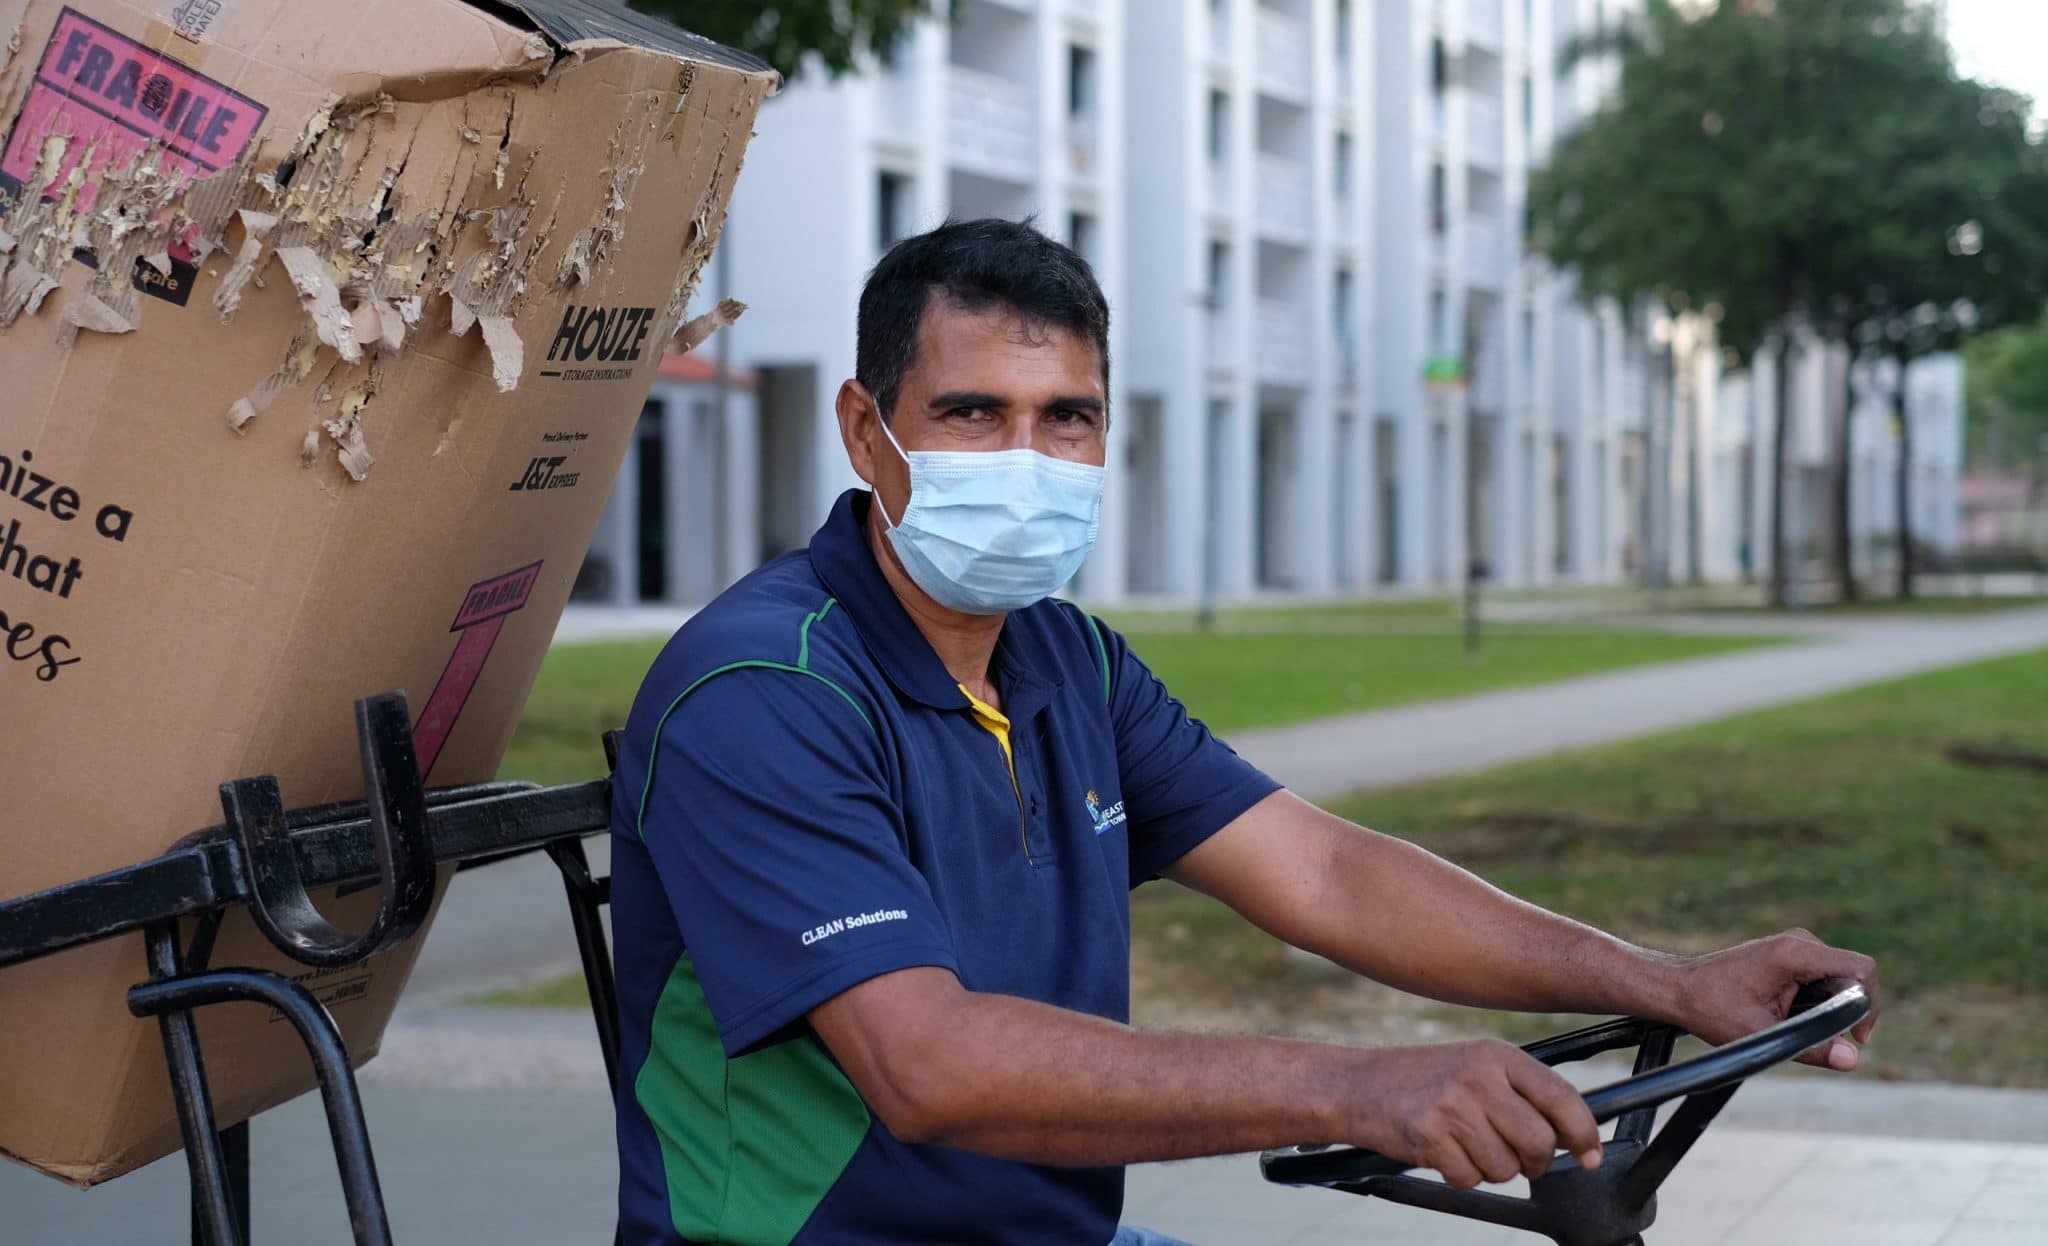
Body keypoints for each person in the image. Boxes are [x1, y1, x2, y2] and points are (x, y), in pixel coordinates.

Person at [607, 218, 1878, 1246]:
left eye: (1067, 417)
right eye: (971, 413)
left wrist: (1667, 981)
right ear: (864, 430)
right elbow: (925, 1063)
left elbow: (1323, 871)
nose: (1028, 457)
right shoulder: (762, 687)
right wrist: (1355, 1087)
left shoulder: (1066, 657)